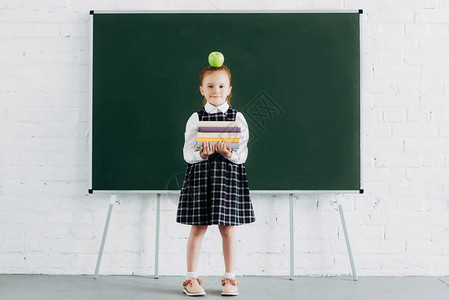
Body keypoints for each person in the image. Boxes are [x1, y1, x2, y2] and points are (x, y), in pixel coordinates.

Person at [176, 62, 256, 297]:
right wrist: (202, 154)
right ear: (202, 89)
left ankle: (230, 278)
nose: (216, 91)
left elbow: (242, 156)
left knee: (228, 228)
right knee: (198, 227)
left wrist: (228, 152)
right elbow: (187, 154)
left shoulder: (237, 117)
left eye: (221, 86)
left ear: (229, 88)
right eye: (210, 86)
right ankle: (191, 278)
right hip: (201, 177)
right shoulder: (196, 118)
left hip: (228, 178)